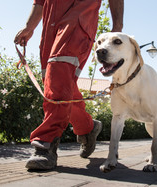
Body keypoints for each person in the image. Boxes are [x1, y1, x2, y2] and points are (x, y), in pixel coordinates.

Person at [14, 0, 124, 170]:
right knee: (54, 83)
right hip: (50, 21)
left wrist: (117, 26)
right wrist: (29, 27)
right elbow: (39, 2)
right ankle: (87, 127)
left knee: (59, 72)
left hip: (80, 15)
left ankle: (46, 144)